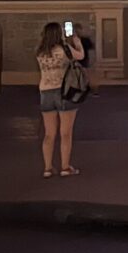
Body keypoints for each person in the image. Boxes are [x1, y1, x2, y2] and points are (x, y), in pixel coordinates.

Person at [35, 22, 85, 178]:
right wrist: (77, 43)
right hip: (64, 91)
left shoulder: (40, 52)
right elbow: (80, 57)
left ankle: (48, 168)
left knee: (49, 133)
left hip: (45, 91)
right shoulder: (64, 49)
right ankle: (65, 166)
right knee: (66, 133)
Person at [74, 23, 99, 96]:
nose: (77, 32)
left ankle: (88, 89)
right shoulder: (73, 40)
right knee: (79, 76)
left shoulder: (85, 40)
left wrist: (92, 60)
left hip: (84, 60)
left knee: (85, 76)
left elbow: (91, 50)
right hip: (77, 60)